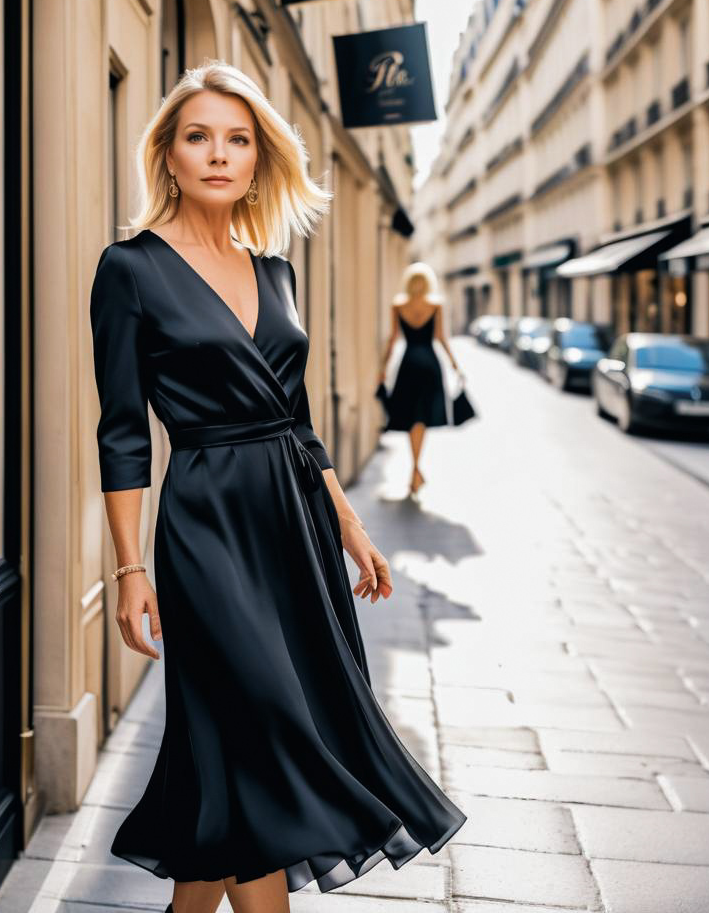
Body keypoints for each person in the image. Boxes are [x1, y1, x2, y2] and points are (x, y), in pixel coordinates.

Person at [89, 60, 466, 913]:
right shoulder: (130, 269)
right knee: (267, 728)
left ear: (258, 160)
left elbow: (297, 424)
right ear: (170, 156)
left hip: (292, 526)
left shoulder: (276, 273)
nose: (219, 154)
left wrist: (350, 529)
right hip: (206, 525)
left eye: (238, 139)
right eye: (199, 138)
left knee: (228, 766)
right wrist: (130, 569)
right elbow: (121, 434)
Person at [376, 262, 462, 497]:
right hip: (430, 363)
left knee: (411, 417)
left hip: (409, 363)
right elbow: (441, 338)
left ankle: (414, 469)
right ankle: (415, 470)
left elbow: (393, 339)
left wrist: (383, 369)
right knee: (422, 417)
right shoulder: (435, 305)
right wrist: (455, 365)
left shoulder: (398, 305)